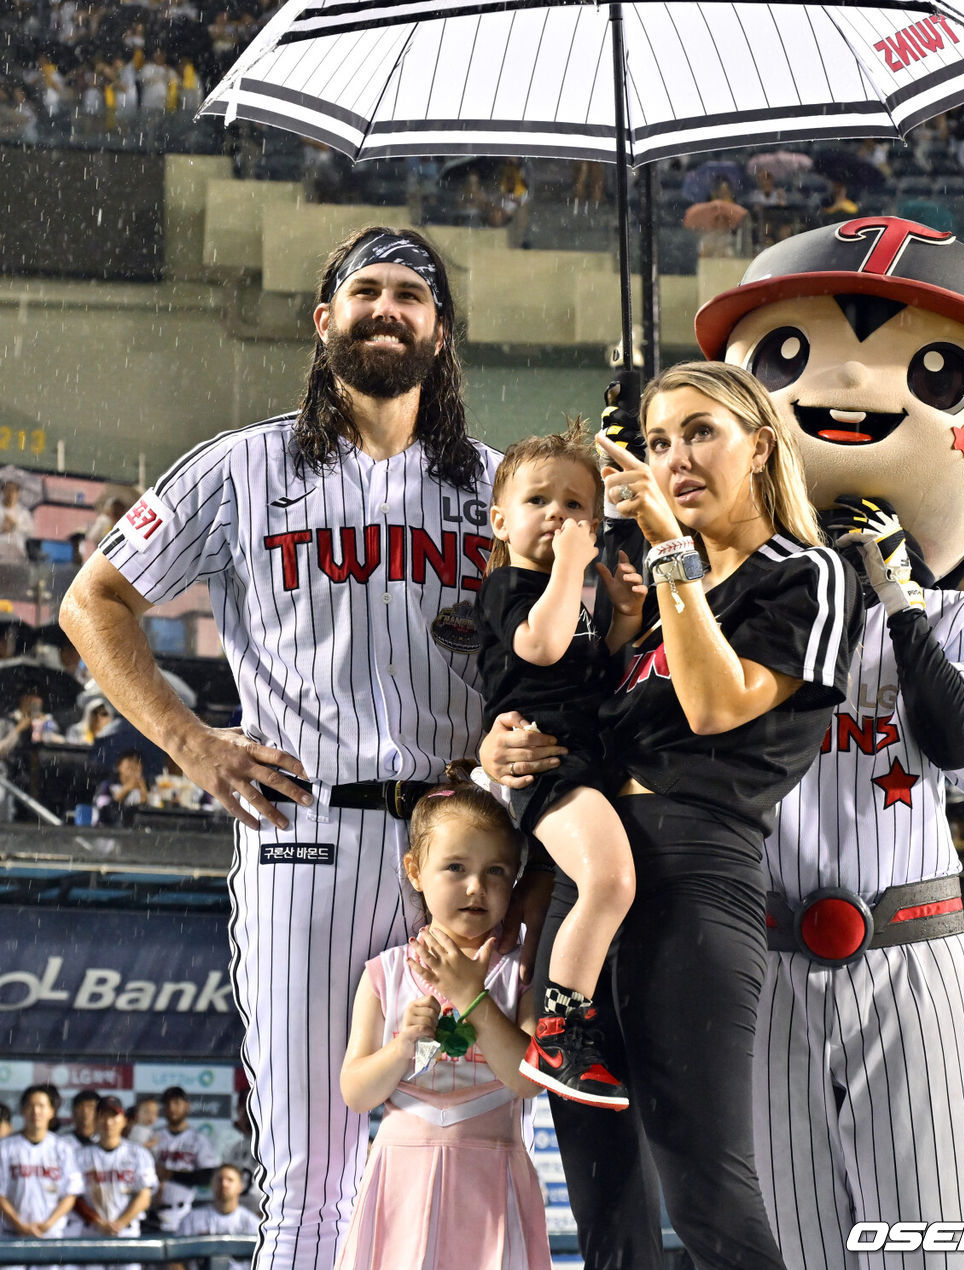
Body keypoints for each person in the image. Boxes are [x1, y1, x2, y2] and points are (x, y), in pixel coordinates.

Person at [59, 225, 554, 1270]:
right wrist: (190, 744)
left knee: (487, 1135)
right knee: (310, 1179)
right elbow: (92, 599)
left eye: (410, 295)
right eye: (364, 290)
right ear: (324, 318)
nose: (387, 307)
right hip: (306, 832)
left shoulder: (500, 488)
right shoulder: (240, 467)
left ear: (441, 330)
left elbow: (563, 648)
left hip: (467, 849)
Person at [695, 216, 964, 1270]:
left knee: (935, 1247)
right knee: (790, 1248)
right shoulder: (729, 615)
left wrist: (898, 597)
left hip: (909, 953)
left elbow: (955, 747)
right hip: (764, 961)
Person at [509, 361, 862, 1270]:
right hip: (584, 883)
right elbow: (569, 719)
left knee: (705, 1194)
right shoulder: (648, 601)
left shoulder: (807, 573)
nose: (676, 458)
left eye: (701, 432)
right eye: (659, 442)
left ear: (761, 445)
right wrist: (498, 753)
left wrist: (670, 555)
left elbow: (714, 706)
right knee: (606, 1212)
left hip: (693, 876)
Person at [477, 422, 645, 1107]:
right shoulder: (510, 586)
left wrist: (625, 619)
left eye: (577, 506)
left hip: (583, 758)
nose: (558, 515)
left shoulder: (571, 595)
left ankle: (567, 1021)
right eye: (539, 501)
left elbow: (590, 668)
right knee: (609, 880)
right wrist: (574, 566)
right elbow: (540, 649)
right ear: (501, 520)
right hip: (549, 768)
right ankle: (559, 1032)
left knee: (603, 886)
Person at [337, 780, 550, 1270]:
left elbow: (525, 1078)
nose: (476, 887)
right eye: (455, 867)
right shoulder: (383, 973)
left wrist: (468, 995)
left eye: (496, 871)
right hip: (400, 1180)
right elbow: (356, 1092)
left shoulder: (523, 969)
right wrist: (403, 1045)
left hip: (492, 1176)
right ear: (414, 869)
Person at [0, 1085, 83, 1269]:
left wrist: (48, 1224)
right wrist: (19, 1224)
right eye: (30, 1105)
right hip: (12, 1235)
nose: (36, 1111)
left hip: (50, 1235)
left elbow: (70, 1194)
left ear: (52, 1111)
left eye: (41, 1105)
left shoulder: (62, 1148)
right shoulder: (5, 1147)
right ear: (22, 1110)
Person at [75, 1095, 157, 1269]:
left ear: (124, 1120)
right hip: (93, 1233)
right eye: (103, 1116)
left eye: (113, 1116)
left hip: (126, 1232)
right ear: (96, 1121)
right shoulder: (81, 1156)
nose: (108, 1122)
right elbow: (74, 1197)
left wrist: (119, 1223)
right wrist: (98, 1222)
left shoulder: (138, 1154)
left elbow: (144, 1196)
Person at [149, 1087, 217, 1233]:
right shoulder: (154, 1137)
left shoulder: (198, 1140)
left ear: (187, 1106)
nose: (172, 1108)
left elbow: (208, 1177)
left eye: (177, 1103)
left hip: (184, 1213)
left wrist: (171, 1174)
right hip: (152, 1214)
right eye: (167, 1104)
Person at [176, 1164, 259, 1270]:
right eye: (219, 1179)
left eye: (230, 1180)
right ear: (212, 1185)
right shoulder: (191, 1219)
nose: (224, 1184)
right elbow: (175, 1260)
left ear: (240, 1187)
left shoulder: (253, 1223)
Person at [93, 749, 148, 825]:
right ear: (119, 766)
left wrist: (144, 792)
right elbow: (103, 812)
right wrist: (125, 790)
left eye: (137, 761)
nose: (133, 764)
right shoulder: (107, 785)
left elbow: (145, 813)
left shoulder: (146, 787)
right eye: (129, 760)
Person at [0, 480, 34, 563]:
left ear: (18, 493)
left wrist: (16, 525)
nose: (10, 493)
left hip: (19, 553)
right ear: (3, 491)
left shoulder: (24, 512)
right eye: (8, 489)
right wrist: (2, 530)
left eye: (13, 490)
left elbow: (31, 533)